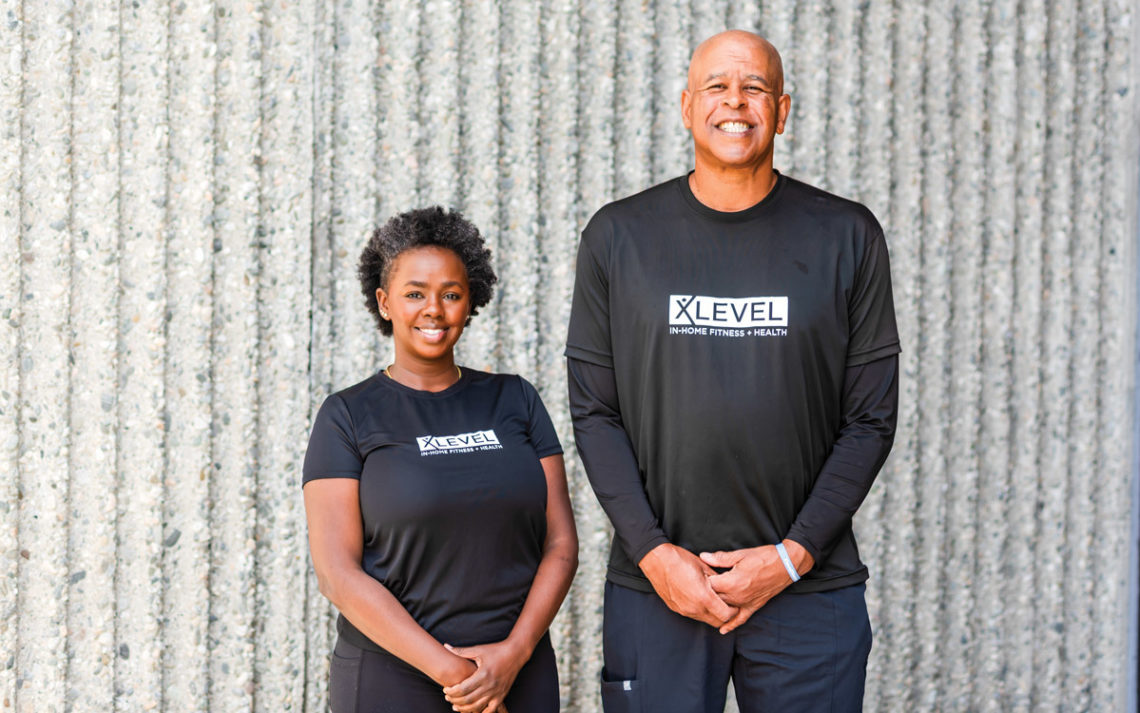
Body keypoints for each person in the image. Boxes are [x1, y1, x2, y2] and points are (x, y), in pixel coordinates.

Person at [566, 30, 900, 712]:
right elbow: (595, 413)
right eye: (717, 87)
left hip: (809, 588)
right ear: (688, 107)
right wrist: (658, 556)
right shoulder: (617, 237)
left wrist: (789, 557)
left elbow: (870, 418)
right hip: (660, 588)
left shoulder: (847, 235)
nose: (736, 102)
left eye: (756, 88)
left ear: (782, 111)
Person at [304, 207, 577, 713]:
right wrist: (459, 675)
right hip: (394, 678)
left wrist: (511, 658)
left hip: (518, 671)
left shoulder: (516, 400)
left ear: (469, 301)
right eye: (415, 293)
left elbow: (560, 544)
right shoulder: (347, 416)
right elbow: (337, 574)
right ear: (385, 303)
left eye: (450, 294)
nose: (434, 309)